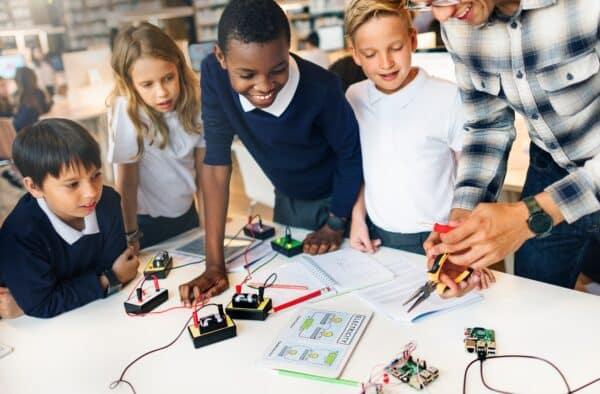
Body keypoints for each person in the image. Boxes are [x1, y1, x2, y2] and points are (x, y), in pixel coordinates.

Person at [179, 0, 363, 303]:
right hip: (287, 198)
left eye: (278, 69)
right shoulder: (213, 75)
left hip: (340, 200)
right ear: (221, 58)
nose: (264, 85)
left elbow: (350, 155)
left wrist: (335, 222)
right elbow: (216, 162)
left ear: (289, 49)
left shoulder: (323, 88)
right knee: (291, 283)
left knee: (341, 293)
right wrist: (214, 265)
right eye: (247, 75)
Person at [419, 0, 599, 296]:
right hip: (550, 169)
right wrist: (464, 225)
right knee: (533, 302)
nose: (441, 15)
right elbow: (486, 124)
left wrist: (529, 217)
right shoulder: (457, 23)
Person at [0, 119, 139, 319]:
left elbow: (115, 262)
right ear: (34, 187)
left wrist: (60, 292)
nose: (91, 192)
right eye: (72, 184)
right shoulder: (19, 234)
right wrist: (109, 279)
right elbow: (42, 304)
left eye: (96, 175)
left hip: (98, 315)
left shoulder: (107, 202)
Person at [107, 22, 205, 252]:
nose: (161, 92)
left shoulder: (197, 101)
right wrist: (130, 236)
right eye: (147, 84)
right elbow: (127, 183)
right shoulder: (127, 112)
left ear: (179, 68)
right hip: (145, 225)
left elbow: (204, 171)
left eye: (168, 78)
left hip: (188, 213)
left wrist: (208, 221)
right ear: (131, 85)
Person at [12, 67, 52, 132]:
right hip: (37, 132)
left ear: (17, 80)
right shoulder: (39, 93)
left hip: (21, 133)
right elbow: (45, 110)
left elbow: (19, 122)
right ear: (34, 78)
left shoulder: (17, 96)